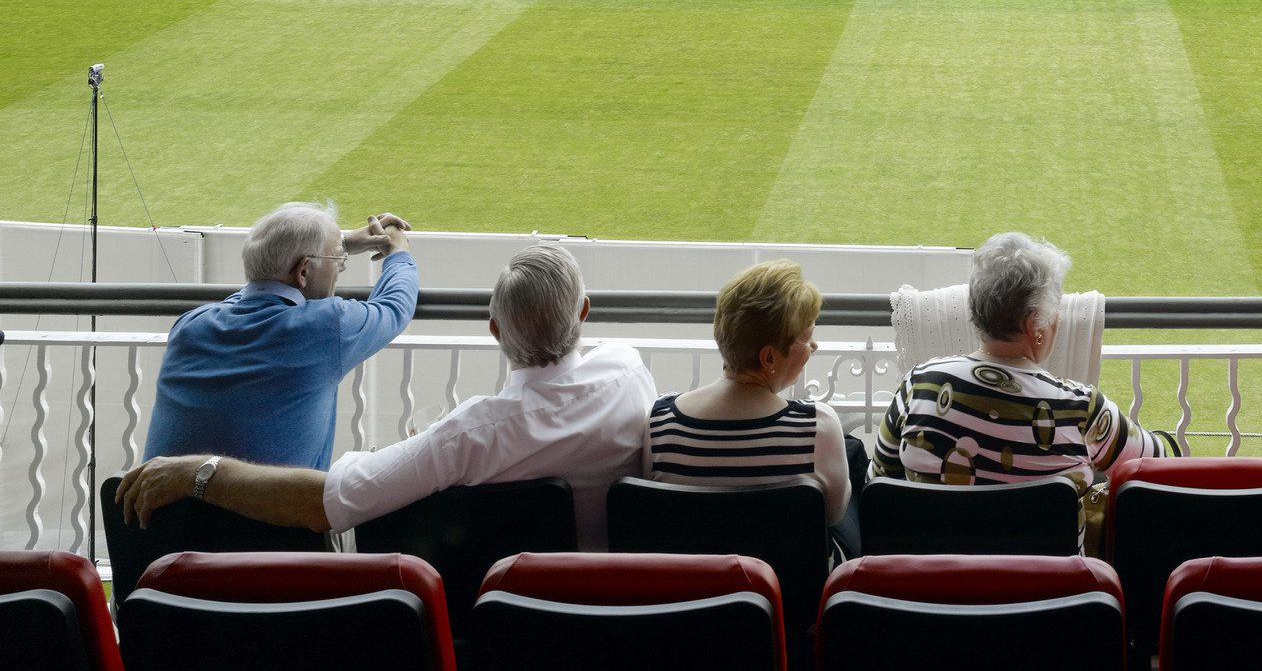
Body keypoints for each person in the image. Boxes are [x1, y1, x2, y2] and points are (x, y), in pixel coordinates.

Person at [121, 242, 653, 552]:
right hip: (609, 624)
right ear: (584, 313)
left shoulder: (470, 436)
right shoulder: (629, 370)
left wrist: (199, 470)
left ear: (494, 330)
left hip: (492, 630)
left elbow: (323, 505)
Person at [871, 233, 1180, 509]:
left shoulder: (919, 385)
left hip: (932, 573)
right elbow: (1161, 470)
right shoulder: (1082, 409)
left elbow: (879, 485)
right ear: (1036, 326)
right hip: (1051, 575)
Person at [144, 204, 415, 468]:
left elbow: (260, 287)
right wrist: (398, 251)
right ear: (304, 271)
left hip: (160, 511)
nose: (340, 268)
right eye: (338, 261)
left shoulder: (190, 325)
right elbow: (394, 307)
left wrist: (338, 245)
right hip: (267, 513)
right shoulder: (328, 324)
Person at [646, 260, 856, 550]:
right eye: (806, 339)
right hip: (790, 593)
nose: (814, 347)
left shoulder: (659, 422)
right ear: (769, 358)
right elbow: (833, 514)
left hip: (690, 591)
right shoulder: (817, 426)